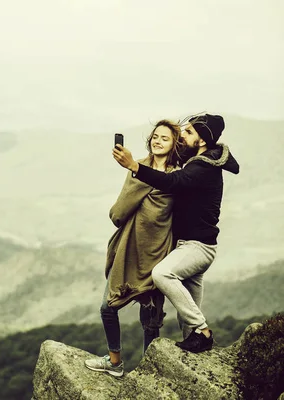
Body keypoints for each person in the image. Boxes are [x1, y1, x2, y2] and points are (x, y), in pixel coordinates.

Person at [112, 113, 240, 354]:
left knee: (162, 274)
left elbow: (172, 181)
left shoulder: (202, 167)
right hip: (191, 246)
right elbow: (168, 151)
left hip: (197, 247)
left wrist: (134, 166)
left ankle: (204, 331)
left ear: (202, 140)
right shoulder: (199, 159)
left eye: (189, 132)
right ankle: (197, 347)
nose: (184, 135)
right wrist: (161, 140)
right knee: (187, 321)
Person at [85, 119, 183, 377]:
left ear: (174, 144)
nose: (157, 140)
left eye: (165, 138)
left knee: (150, 319)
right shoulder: (138, 167)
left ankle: (149, 373)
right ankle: (115, 362)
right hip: (130, 249)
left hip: (158, 251)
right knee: (108, 307)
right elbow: (119, 213)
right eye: (155, 136)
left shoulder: (177, 176)